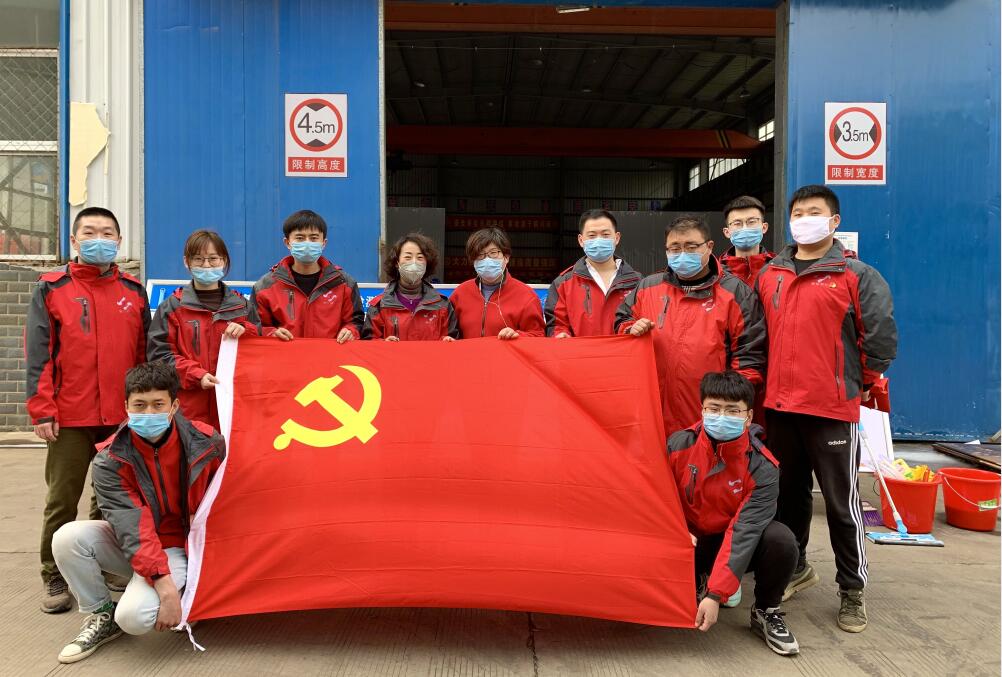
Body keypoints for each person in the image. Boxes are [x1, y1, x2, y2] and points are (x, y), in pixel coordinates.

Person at [754, 184, 897, 633]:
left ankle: (852, 590)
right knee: (787, 497)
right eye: (797, 213)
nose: (804, 220)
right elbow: (759, 335)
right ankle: (796, 568)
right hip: (780, 408)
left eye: (813, 212)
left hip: (831, 409)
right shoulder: (771, 275)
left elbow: (880, 338)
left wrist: (855, 383)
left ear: (834, 222)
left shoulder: (857, 275)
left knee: (841, 504)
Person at [50, 361, 225, 663]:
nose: (149, 413)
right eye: (140, 405)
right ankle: (101, 614)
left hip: (182, 548)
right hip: (138, 544)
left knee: (133, 618)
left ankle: (189, 593)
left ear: (174, 406)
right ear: (126, 407)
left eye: (158, 404)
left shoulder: (207, 443)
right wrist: (164, 586)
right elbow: (130, 524)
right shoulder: (110, 458)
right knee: (68, 538)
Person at [26, 207, 149, 614]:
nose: (100, 239)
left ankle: (106, 564)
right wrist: (42, 409)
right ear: (74, 241)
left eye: (108, 233)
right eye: (90, 232)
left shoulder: (132, 291)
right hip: (69, 414)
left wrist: (143, 409)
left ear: (119, 241)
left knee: (110, 497)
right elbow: (39, 354)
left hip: (121, 416)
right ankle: (54, 574)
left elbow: (143, 355)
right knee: (63, 497)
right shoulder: (52, 289)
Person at [667, 371, 800, 656]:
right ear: (702, 410)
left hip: (732, 544)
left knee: (782, 540)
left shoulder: (763, 467)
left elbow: (744, 532)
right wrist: (675, 530)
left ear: (748, 416)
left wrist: (716, 594)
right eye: (714, 408)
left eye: (732, 411)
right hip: (687, 541)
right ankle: (695, 580)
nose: (721, 416)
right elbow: (658, 499)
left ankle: (765, 610)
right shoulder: (678, 445)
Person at [616, 215, 765, 437]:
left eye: (691, 247)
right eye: (674, 248)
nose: (682, 254)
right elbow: (622, 320)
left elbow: (749, 356)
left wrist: (728, 409)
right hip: (653, 412)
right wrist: (630, 328)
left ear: (709, 246)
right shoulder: (648, 287)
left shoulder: (735, 292)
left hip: (709, 416)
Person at [148, 230, 287, 427]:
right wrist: (196, 375)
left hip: (234, 407)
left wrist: (266, 333)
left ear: (224, 261)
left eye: (213, 259)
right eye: (198, 259)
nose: (206, 265)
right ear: (187, 262)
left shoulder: (242, 306)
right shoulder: (172, 307)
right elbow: (160, 356)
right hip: (188, 409)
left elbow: (258, 345)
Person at [250, 209, 364, 341]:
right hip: (284, 353)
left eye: (314, 238)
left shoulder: (344, 283)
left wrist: (351, 331)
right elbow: (254, 326)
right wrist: (271, 333)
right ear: (287, 243)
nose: (307, 243)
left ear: (324, 243)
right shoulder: (265, 286)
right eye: (300, 238)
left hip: (330, 354)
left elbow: (356, 322)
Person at [544, 209, 641, 337]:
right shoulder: (562, 284)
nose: (599, 240)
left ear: (617, 238)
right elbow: (556, 324)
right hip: (581, 350)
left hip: (624, 350)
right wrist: (560, 335)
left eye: (605, 235)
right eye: (592, 235)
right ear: (581, 240)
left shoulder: (637, 282)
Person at [448, 227, 544, 339]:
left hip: (508, 351)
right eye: (480, 255)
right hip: (469, 351)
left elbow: (538, 335)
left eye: (493, 253)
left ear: (506, 257)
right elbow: (449, 333)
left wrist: (518, 336)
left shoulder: (526, 295)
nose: (486, 259)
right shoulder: (460, 294)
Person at [363, 233, 458, 341]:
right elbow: (368, 344)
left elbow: (454, 341)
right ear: (397, 263)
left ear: (427, 263)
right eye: (408, 257)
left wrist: (448, 341)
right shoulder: (379, 306)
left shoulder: (443, 306)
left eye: (420, 257)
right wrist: (383, 344)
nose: (414, 262)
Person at [720, 195, 775, 286]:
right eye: (737, 223)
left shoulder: (779, 268)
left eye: (751, 222)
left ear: (764, 227)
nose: (745, 228)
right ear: (727, 232)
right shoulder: (716, 273)